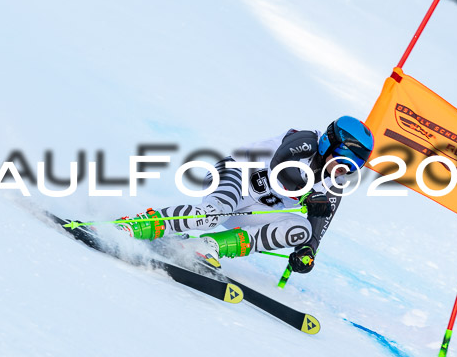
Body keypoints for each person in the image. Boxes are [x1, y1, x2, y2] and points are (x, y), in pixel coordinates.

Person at [118, 116, 374, 274]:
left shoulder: (334, 181)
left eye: (355, 166)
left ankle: (208, 246)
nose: (345, 169)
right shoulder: (307, 140)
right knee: (210, 216)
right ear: (330, 143)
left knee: (301, 230)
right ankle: (139, 224)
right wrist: (308, 196)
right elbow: (281, 166)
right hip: (233, 177)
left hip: (254, 210)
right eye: (345, 159)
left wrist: (307, 252)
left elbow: (319, 226)